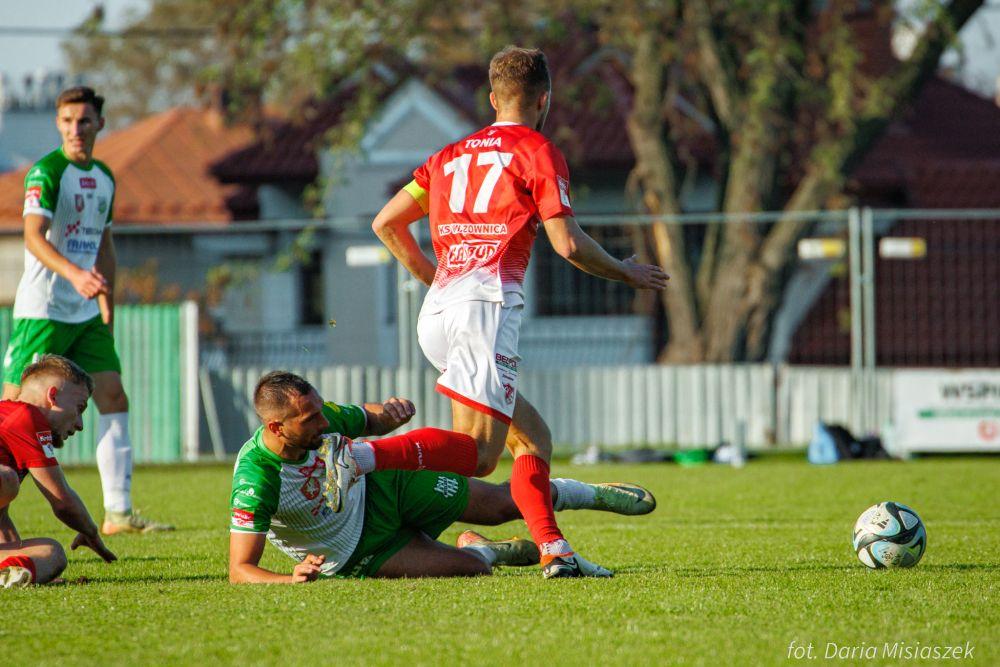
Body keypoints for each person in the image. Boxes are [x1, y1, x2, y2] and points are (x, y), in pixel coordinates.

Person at [366, 46, 667, 578]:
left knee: (531, 437)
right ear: (544, 99)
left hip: (438, 310)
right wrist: (627, 271)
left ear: (491, 98)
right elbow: (568, 245)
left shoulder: (448, 155)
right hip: (484, 307)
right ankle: (363, 459)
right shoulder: (537, 150)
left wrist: (432, 276)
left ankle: (554, 550)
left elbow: (387, 222)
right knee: (481, 456)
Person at [229, 371, 655, 582]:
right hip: (361, 550)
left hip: (386, 485)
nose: (324, 422)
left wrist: (389, 412)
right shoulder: (257, 478)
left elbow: (370, 421)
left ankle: (582, 493)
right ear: (276, 428)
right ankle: (485, 551)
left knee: (504, 504)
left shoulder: (323, 419)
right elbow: (240, 568)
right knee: (472, 570)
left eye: (321, 409)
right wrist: (291, 577)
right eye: (310, 418)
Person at [1, 86, 171, 535]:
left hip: (86, 313)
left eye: (84, 120)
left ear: (100, 123)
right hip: (43, 311)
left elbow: (105, 246)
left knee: (113, 395)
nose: (76, 129)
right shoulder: (47, 172)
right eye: (67, 121)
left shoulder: (105, 177)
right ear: (58, 124)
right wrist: (76, 276)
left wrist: (105, 297)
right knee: (15, 408)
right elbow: (34, 237)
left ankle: (118, 512)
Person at [0, 355, 117, 588]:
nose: (81, 424)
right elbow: (62, 500)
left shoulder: (10, 420)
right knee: (6, 479)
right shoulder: (27, 416)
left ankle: (8, 574)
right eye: (80, 408)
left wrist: (26, 565)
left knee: (52, 552)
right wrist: (91, 532)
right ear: (52, 396)